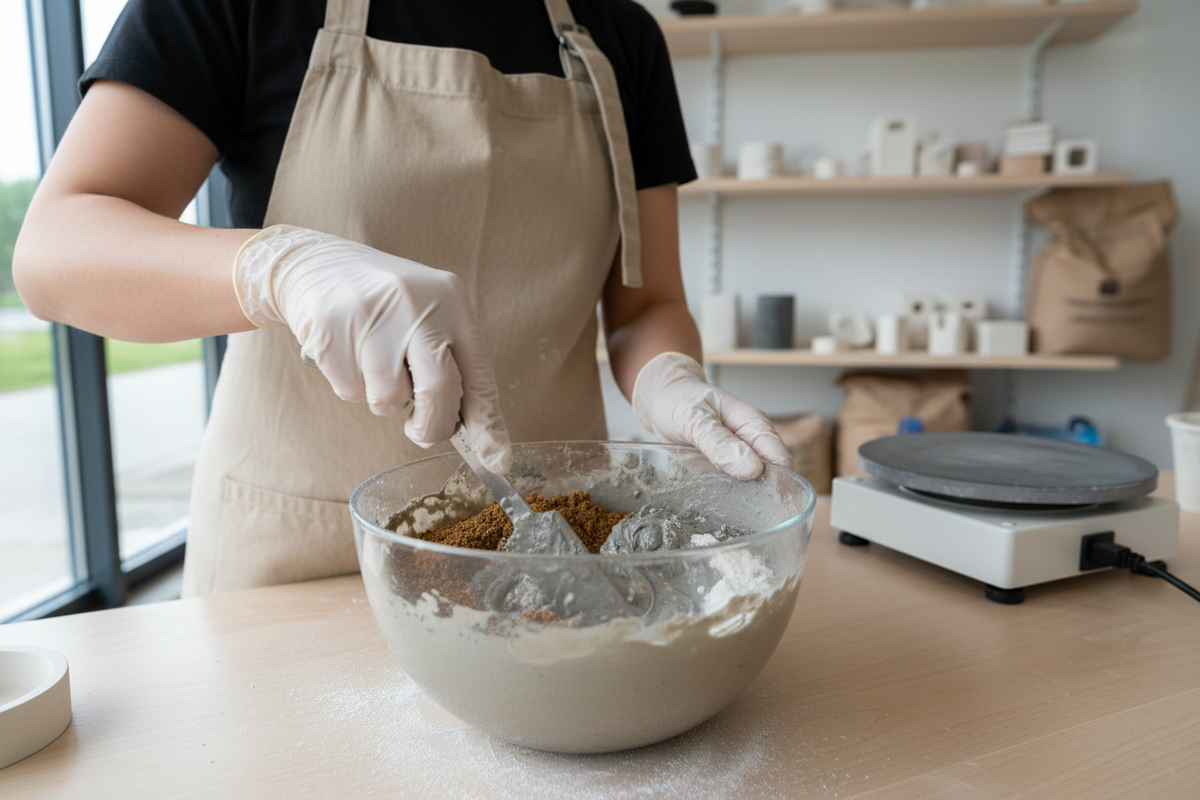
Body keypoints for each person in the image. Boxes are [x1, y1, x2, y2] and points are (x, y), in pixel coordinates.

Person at [14, 0, 792, 596]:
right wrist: (283, 266)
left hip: (544, 557)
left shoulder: (619, 36)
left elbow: (646, 302)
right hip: (298, 568)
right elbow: (57, 251)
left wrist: (669, 378)